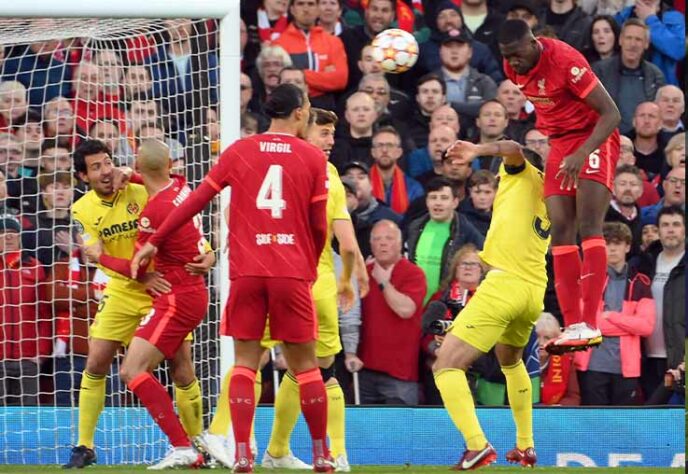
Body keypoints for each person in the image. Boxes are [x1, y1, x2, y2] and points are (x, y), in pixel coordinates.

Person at [131, 84, 335, 472]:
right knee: (306, 366)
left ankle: (242, 452)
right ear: (298, 112)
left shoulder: (239, 150)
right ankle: (323, 454)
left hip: (246, 270)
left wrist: (155, 241)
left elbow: (195, 201)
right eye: (307, 106)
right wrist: (308, 264)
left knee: (244, 361)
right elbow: (317, 225)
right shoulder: (311, 157)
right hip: (290, 269)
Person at [63, 140, 212, 468]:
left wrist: (208, 250)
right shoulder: (82, 210)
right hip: (122, 288)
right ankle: (85, 445)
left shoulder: (141, 189)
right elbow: (96, 255)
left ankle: (198, 440)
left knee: (181, 367)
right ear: (82, 176)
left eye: (107, 163)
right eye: (96, 167)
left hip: (161, 288)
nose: (105, 171)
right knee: (96, 363)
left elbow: (184, 220)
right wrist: (137, 277)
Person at [499, 19, 622, 354]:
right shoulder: (512, 67)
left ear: (533, 42)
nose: (513, 63)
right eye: (507, 57)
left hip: (593, 137)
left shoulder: (566, 62)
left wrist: (583, 153)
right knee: (560, 230)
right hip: (559, 144)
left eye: (516, 55)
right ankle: (573, 325)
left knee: (588, 225)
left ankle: (592, 323)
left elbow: (612, 114)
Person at [433, 139, 549, 469]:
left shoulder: (520, 175)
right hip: (532, 290)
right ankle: (525, 446)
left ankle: (477, 445)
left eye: (499, 175)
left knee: (446, 365)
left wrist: (476, 150)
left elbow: (513, 147)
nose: (498, 181)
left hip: (504, 284)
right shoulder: (546, 194)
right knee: (510, 361)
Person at [575, 222, 655, 406]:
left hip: (626, 368)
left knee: (622, 424)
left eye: (617, 243)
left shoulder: (640, 282)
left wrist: (610, 316)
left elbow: (646, 326)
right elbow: (587, 323)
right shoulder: (588, 278)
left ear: (627, 246)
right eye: (607, 243)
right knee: (593, 424)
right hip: (592, 365)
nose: (612, 248)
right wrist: (627, 326)